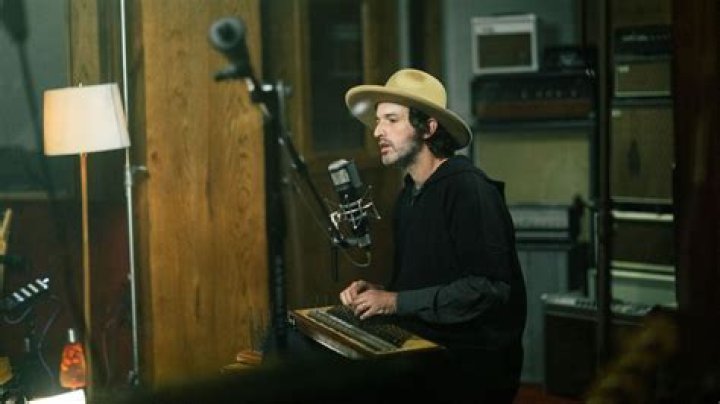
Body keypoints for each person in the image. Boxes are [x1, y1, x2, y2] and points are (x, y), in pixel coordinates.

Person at [339, 68, 527, 403]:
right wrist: (378, 294)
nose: (378, 131)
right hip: (424, 349)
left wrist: (394, 302)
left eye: (392, 120)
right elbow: (426, 284)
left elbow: (488, 288)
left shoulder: (468, 189)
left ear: (428, 127)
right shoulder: (408, 196)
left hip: (470, 366)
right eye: (378, 121)